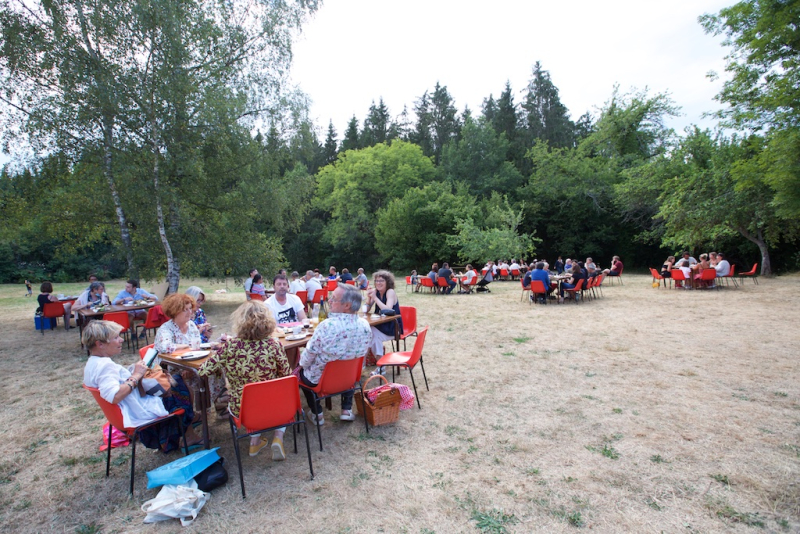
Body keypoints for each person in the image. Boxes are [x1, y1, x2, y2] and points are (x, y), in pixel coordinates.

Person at [83, 320, 201, 451]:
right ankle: (187, 435)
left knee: (172, 382)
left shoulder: (92, 363)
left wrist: (134, 371)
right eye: (116, 337)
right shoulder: (104, 366)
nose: (121, 340)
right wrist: (136, 375)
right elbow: (115, 396)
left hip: (124, 412)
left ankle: (173, 434)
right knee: (178, 384)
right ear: (100, 344)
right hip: (135, 412)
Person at [199, 301, 291, 459]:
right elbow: (287, 375)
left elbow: (203, 370)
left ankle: (255, 442)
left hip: (242, 409)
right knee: (282, 397)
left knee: (251, 398)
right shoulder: (274, 345)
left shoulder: (230, 346)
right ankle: (278, 437)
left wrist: (225, 367)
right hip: (274, 406)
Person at [298, 284, 372, 425]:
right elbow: (363, 354)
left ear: (347, 305)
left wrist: (300, 365)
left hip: (321, 380)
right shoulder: (365, 325)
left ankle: (317, 413)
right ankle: (346, 409)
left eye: (333, 299)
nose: (329, 301)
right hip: (349, 379)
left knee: (302, 373)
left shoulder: (327, 325)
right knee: (349, 361)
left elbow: (308, 356)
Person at [366, 270, 403, 363]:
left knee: (373, 335)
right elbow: (366, 310)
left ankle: (381, 364)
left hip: (392, 327)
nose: (378, 283)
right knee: (366, 331)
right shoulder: (376, 292)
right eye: (376, 281)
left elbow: (388, 310)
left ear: (387, 282)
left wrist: (374, 298)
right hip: (380, 325)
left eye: (381, 281)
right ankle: (366, 363)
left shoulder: (390, 292)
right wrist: (369, 298)